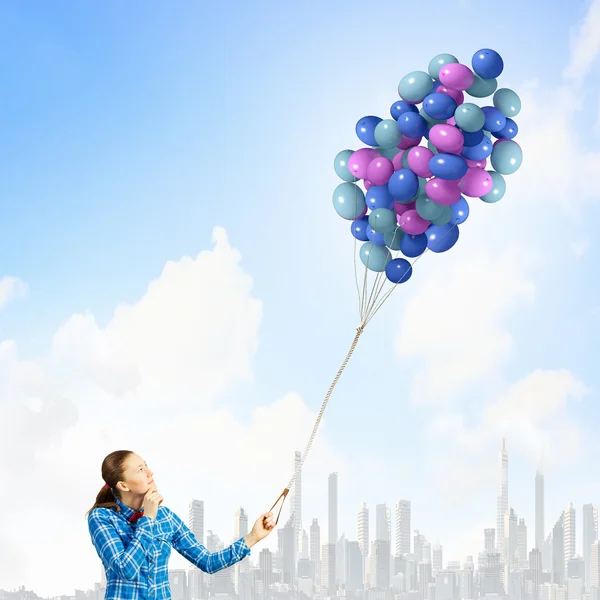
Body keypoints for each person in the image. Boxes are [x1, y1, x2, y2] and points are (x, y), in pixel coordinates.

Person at [87, 450, 276, 599]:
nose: (150, 473)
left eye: (146, 466)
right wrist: (148, 518)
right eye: (140, 470)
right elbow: (126, 570)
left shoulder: (166, 517)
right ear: (123, 485)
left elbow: (208, 562)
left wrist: (253, 537)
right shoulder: (102, 518)